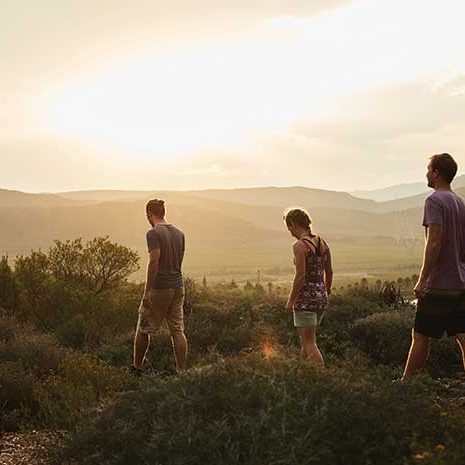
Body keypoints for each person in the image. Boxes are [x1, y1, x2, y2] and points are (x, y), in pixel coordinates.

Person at [402, 153, 465, 381]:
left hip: (439, 282)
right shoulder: (459, 202)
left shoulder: (434, 201)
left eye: (429, 169)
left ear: (436, 172)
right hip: (460, 281)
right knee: (462, 335)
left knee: (420, 335)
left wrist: (422, 279)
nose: (426, 173)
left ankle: (406, 385)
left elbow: (434, 240)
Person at [133, 199, 187, 375]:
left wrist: (147, 292)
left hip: (160, 288)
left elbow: (154, 261)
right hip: (178, 286)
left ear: (149, 213)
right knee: (178, 331)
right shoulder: (180, 234)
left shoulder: (153, 233)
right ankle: (181, 372)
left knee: (143, 329)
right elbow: (179, 261)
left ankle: (137, 369)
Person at [284, 208, 333, 368]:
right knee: (305, 342)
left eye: (289, 227)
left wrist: (291, 301)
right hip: (321, 298)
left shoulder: (299, 245)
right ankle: (301, 375)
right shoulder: (322, 242)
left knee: (310, 343)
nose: (290, 231)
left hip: (305, 300)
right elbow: (329, 271)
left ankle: (323, 377)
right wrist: (326, 291)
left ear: (294, 224)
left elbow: (300, 276)